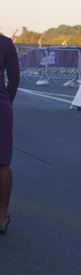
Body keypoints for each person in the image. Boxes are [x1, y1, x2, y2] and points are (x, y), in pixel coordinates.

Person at [0, 33, 20, 234]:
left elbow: (14, 78)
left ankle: (2, 214)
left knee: (2, 161)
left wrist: (6, 102)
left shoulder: (5, 43)